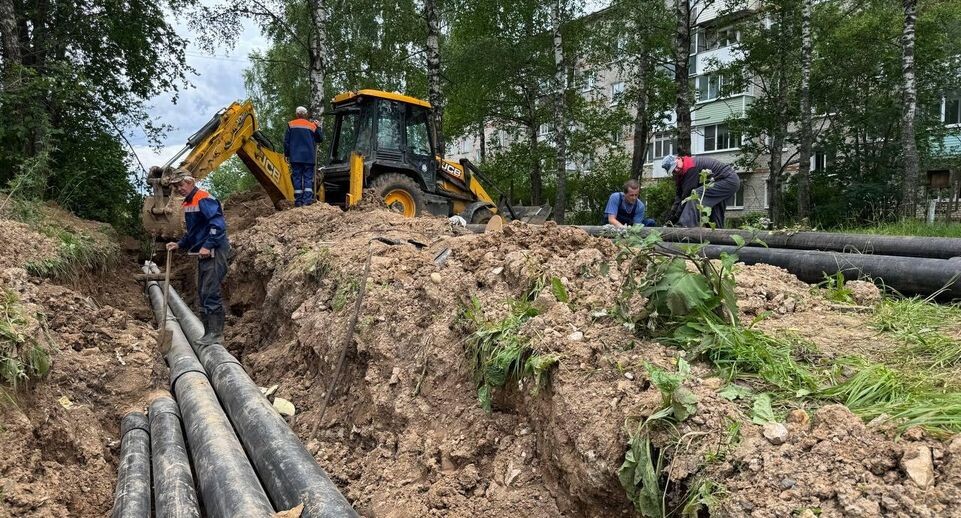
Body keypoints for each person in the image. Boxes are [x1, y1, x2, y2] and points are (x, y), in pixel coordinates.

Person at [165, 170, 230, 347]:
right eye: (176, 186)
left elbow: (218, 226)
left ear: (190, 182)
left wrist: (208, 246)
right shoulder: (189, 202)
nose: (179, 189)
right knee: (203, 292)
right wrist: (179, 244)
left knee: (210, 292)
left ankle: (216, 334)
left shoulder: (203, 198)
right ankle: (208, 332)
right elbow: (193, 233)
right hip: (205, 252)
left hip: (215, 251)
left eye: (181, 184)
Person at [662, 154, 740, 228]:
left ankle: (684, 228)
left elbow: (686, 198)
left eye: (676, 166)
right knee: (715, 212)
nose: (676, 170)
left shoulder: (690, 167)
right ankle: (717, 237)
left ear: (678, 159)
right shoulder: (681, 175)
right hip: (724, 181)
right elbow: (678, 198)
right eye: (673, 171)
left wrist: (675, 219)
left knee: (695, 195)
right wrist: (669, 220)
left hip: (728, 180)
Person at [283, 106, 324, 207]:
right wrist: (318, 127)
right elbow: (320, 139)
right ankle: (307, 200)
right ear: (305, 115)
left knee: (297, 178)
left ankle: (298, 201)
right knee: (308, 178)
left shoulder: (291, 125)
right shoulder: (311, 126)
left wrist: (287, 154)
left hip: (295, 157)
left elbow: (286, 142)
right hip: (308, 158)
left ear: (297, 114)